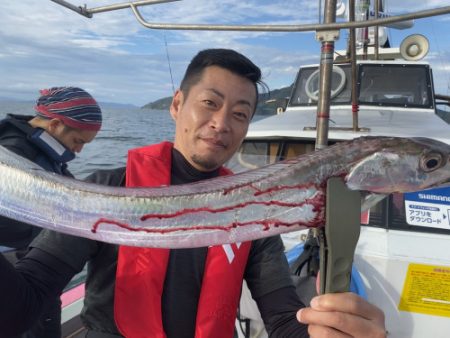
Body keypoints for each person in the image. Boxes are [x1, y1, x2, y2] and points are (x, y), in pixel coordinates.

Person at [0, 49, 386, 338]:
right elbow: (21, 307)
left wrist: (338, 330)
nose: (221, 124)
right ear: (177, 105)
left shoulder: (257, 212)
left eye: (239, 114)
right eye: (209, 103)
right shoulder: (103, 191)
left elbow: (285, 320)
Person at [0, 86, 102, 338]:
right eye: (78, 141)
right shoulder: (13, 157)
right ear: (55, 124)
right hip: (19, 268)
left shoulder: (43, 156)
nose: (78, 151)